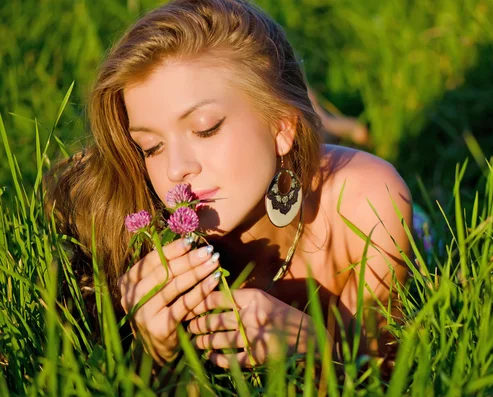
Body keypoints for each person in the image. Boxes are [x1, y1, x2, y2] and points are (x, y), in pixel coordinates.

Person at [46, 0, 412, 376]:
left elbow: (385, 368)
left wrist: (318, 348)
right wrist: (151, 354)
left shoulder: (366, 201)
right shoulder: (132, 215)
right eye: (151, 146)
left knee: (318, 132)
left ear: (282, 127)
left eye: (205, 128)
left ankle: (332, 124)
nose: (175, 169)